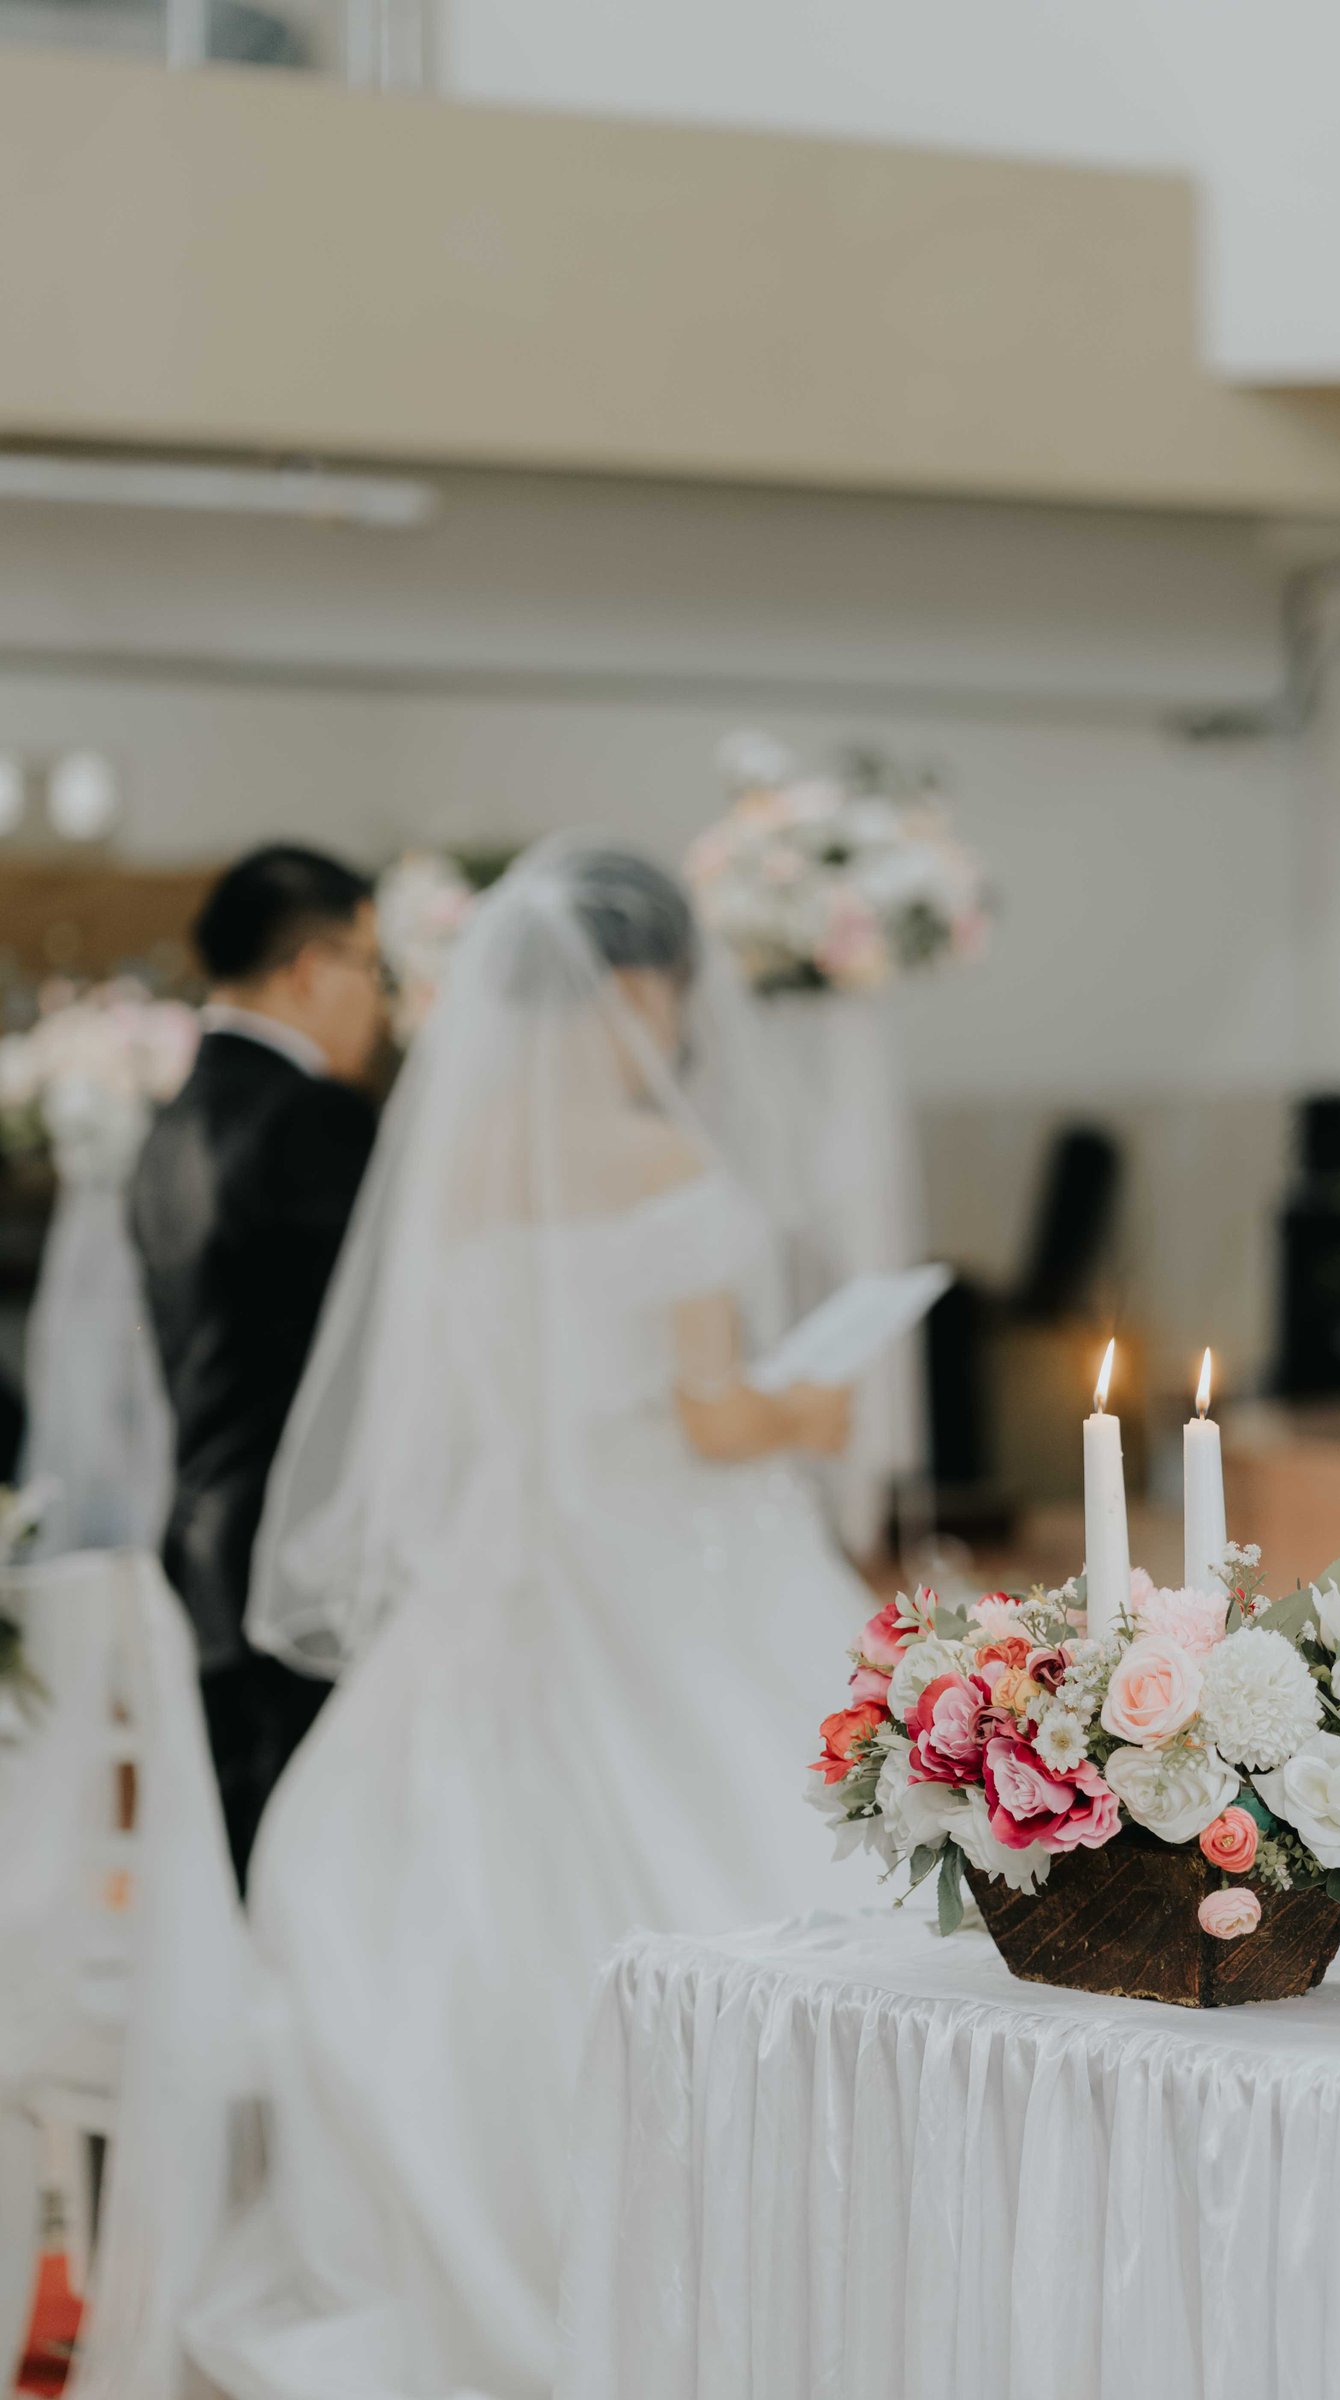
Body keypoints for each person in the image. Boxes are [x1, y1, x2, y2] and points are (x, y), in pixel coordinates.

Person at [184, 840, 870, 2400]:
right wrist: (811, 1407)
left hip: (499, 1570)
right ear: (637, 986)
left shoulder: (457, 1150)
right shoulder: (657, 1157)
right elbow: (709, 1417)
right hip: (668, 1562)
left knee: (463, 1900)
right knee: (759, 1852)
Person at [129, 844, 385, 1887]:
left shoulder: (171, 1119)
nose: (380, 1002)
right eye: (373, 968)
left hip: (202, 1543)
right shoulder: (314, 1119)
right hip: (302, 1555)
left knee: (241, 1861)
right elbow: (381, 1349)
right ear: (311, 969)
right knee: (311, 1869)